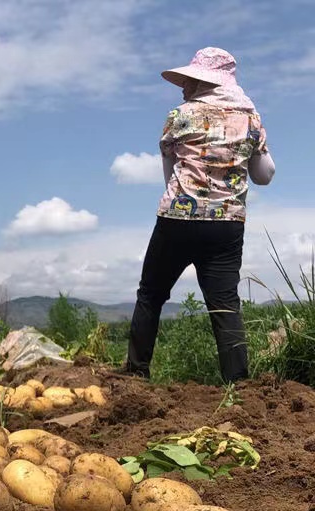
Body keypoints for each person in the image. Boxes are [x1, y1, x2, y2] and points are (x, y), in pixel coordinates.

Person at [124, 47, 275, 383]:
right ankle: (238, 386)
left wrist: (185, 200)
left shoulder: (179, 115)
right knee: (225, 304)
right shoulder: (251, 118)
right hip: (226, 226)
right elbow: (264, 176)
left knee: (151, 294)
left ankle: (135, 377)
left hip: (177, 218)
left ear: (203, 82)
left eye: (190, 80)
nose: (183, 86)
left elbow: (169, 175)